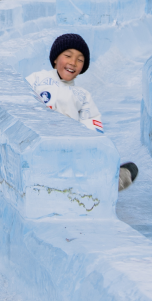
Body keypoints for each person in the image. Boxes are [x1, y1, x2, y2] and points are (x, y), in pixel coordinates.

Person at [26, 33, 138, 191]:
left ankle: (112, 180)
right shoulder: (36, 79)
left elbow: (93, 129)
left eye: (80, 59)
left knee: (92, 155)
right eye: (68, 55)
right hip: (37, 147)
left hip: (69, 152)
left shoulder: (82, 96)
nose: (73, 62)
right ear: (55, 58)